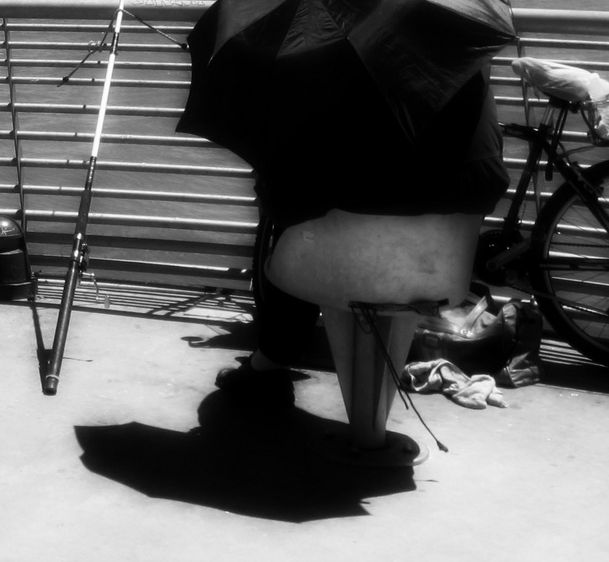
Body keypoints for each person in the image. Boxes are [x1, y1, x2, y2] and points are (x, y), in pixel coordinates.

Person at [215, 70, 508, 403]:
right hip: (440, 278)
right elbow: (491, 181)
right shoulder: (472, 75)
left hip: (352, 270)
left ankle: (272, 361)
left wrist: (267, 186)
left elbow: (289, 199)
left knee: (296, 224)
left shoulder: (345, 76)